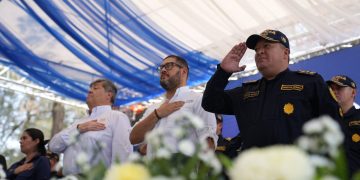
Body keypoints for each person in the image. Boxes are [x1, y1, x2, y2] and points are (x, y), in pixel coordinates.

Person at [202, 29, 341, 150]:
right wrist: (223, 72)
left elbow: (333, 127)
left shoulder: (309, 83)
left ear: (285, 53)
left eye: (267, 46)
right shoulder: (246, 91)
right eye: (257, 49)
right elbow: (210, 102)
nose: (260, 52)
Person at [130, 55, 217, 156]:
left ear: (183, 71)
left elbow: (209, 142)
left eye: (169, 66)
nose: (163, 70)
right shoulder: (154, 108)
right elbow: (133, 138)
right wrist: (157, 114)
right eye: (161, 67)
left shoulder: (198, 100)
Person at [49, 79, 133, 175]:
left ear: (109, 95)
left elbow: (123, 156)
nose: (89, 91)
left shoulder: (117, 117)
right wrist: (78, 129)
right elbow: (53, 146)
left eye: (95, 88)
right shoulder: (79, 122)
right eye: (90, 88)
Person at [327, 75, 360, 176]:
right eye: (332, 89)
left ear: (353, 92)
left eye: (339, 88)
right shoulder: (324, 120)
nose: (334, 91)